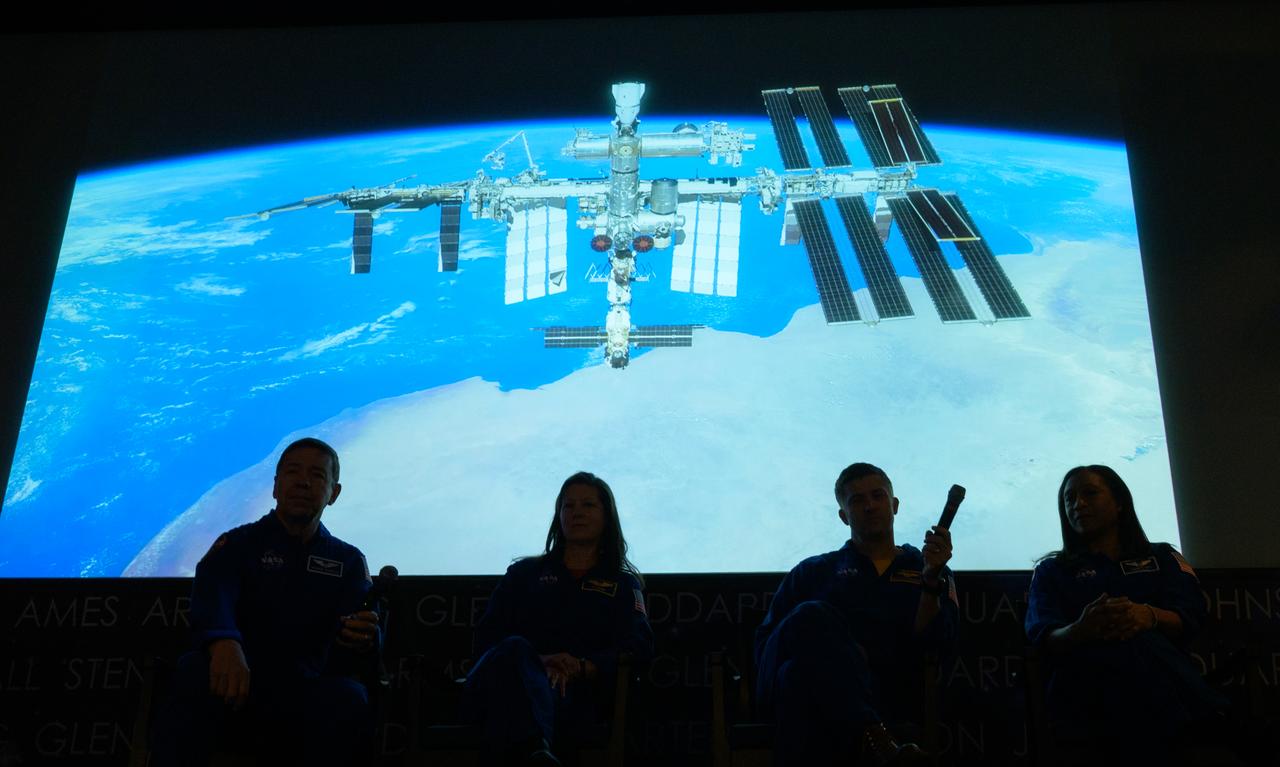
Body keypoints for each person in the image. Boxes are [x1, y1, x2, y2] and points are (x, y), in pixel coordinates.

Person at [151, 437, 380, 767]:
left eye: (317, 475)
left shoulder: (349, 562)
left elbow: (364, 629)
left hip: (305, 695)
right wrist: (223, 642)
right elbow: (214, 595)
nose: (302, 481)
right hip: (236, 689)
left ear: (334, 492)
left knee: (350, 697)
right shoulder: (237, 545)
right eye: (292, 472)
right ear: (275, 486)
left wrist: (366, 638)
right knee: (195, 670)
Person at [754, 462, 957, 767]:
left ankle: (866, 731)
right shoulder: (813, 571)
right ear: (843, 515)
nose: (870, 505)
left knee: (796, 676)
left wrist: (930, 581)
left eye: (877, 496)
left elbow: (938, 645)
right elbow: (767, 648)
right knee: (809, 618)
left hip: (883, 693)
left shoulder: (928, 569)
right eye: (857, 500)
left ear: (895, 505)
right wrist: (835, 655)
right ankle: (877, 741)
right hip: (793, 694)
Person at [1024, 464, 1228, 758]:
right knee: (1125, 641)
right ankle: (1212, 717)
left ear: (1119, 502)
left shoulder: (1163, 557)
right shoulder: (1052, 571)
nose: (1077, 504)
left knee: (1137, 638)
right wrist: (1081, 629)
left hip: (1155, 692)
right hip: (1085, 696)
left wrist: (1149, 616)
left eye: (1090, 493)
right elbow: (1042, 636)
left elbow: (1192, 616)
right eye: (1069, 499)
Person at [465, 471, 654, 766]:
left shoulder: (623, 585)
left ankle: (535, 748)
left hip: (578, 695)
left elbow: (639, 646)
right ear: (558, 516)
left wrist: (583, 667)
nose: (577, 512)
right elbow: (488, 637)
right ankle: (536, 751)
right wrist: (537, 663)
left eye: (588, 505)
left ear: (607, 516)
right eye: (568, 506)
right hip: (504, 687)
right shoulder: (523, 575)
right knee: (514, 650)